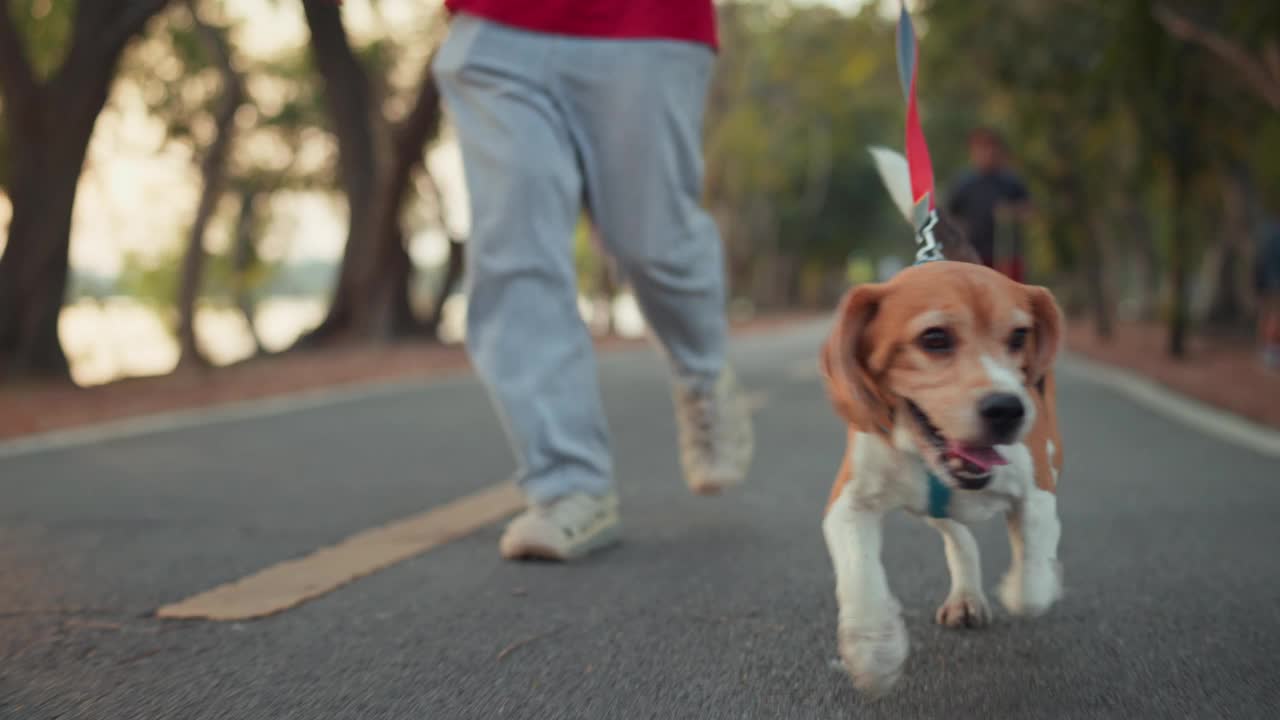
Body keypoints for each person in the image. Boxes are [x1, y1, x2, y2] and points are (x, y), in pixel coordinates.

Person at [432, 1, 754, 561]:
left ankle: (702, 372)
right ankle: (567, 486)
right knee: (514, 253)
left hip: (647, 22)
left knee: (653, 246)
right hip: (498, 28)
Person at [946, 127, 1032, 281]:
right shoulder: (963, 184)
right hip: (974, 257)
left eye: (990, 147)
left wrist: (1011, 212)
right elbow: (952, 217)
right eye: (980, 148)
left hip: (1006, 256)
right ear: (972, 152)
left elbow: (1029, 211)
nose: (986, 153)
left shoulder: (1010, 181)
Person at [1256, 220, 1280, 371]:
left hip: (1267, 280)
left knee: (1267, 314)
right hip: (1273, 280)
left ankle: (1267, 349)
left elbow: (1260, 260)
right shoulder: (1273, 235)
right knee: (1273, 315)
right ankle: (1271, 349)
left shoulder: (1267, 233)